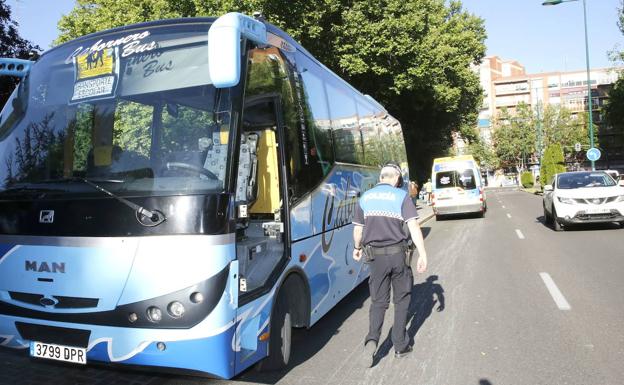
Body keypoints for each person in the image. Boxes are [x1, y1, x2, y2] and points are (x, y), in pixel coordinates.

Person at [352, 163, 428, 367]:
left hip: (375, 258)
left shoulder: (365, 198)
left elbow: (358, 230)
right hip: (398, 255)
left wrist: (357, 248)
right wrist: (422, 254)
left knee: (378, 301)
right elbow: (413, 227)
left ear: (381, 177)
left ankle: (371, 341)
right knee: (401, 300)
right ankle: (400, 346)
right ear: (396, 179)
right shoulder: (401, 196)